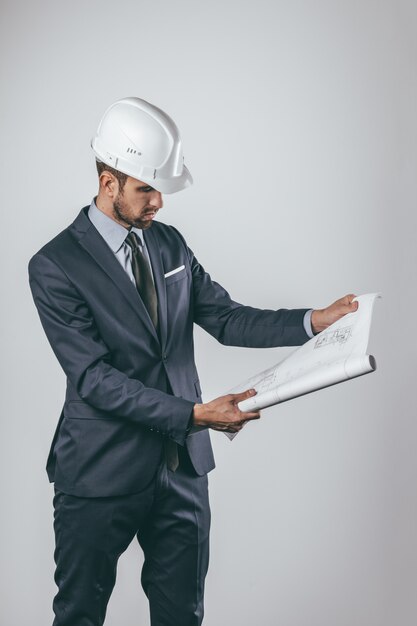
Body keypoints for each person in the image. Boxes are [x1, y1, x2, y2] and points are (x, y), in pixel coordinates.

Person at [28, 96, 358, 626]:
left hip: (182, 469)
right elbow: (93, 378)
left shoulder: (170, 244)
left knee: (183, 615)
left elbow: (226, 318)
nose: (159, 202)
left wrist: (312, 321)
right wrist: (195, 415)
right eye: (146, 189)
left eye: (161, 189)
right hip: (98, 471)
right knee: (79, 615)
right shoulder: (53, 266)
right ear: (108, 182)